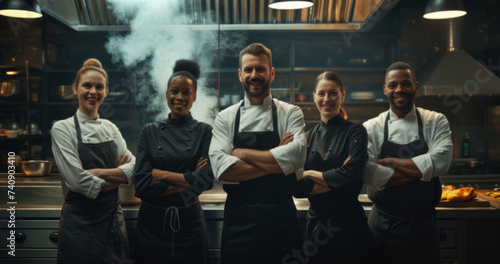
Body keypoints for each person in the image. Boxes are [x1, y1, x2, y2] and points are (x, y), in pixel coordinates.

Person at [209, 43, 306, 264]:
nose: (255, 75)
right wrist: (279, 160)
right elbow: (221, 170)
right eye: (249, 70)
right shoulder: (225, 118)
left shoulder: (290, 112)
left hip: (282, 220)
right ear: (240, 74)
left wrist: (241, 153)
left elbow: (297, 156)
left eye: (261, 69)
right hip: (239, 223)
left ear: (271, 73)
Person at [363, 62, 453, 264]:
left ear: (416, 86)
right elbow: (369, 174)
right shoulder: (371, 127)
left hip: (423, 227)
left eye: (406, 84)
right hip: (382, 227)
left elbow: (442, 161)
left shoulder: (436, 120)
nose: (399, 90)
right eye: (393, 85)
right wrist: (423, 171)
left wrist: (389, 162)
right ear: (384, 89)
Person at [51, 58, 136, 264]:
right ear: (75, 88)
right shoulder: (63, 128)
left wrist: (98, 173)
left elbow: (135, 168)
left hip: (112, 221)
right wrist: (119, 175)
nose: (93, 92)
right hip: (79, 224)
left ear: (106, 91)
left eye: (99, 87)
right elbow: (77, 181)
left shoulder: (110, 128)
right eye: (87, 86)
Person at [133, 59, 214, 264]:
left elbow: (205, 181)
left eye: (186, 92)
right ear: (167, 94)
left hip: (190, 226)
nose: (180, 97)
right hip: (151, 225)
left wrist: (160, 175)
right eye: (174, 91)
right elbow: (141, 185)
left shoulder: (204, 131)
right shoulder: (149, 131)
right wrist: (188, 181)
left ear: (194, 96)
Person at [299, 71, 373, 264]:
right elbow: (297, 186)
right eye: (321, 93)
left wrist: (309, 173)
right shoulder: (307, 137)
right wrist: (339, 178)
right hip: (316, 232)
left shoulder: (356, 131)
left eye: (333, 93)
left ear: (342, 95)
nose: (327, 99)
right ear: (314, 96)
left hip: (350, 229)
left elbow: (352, 178)